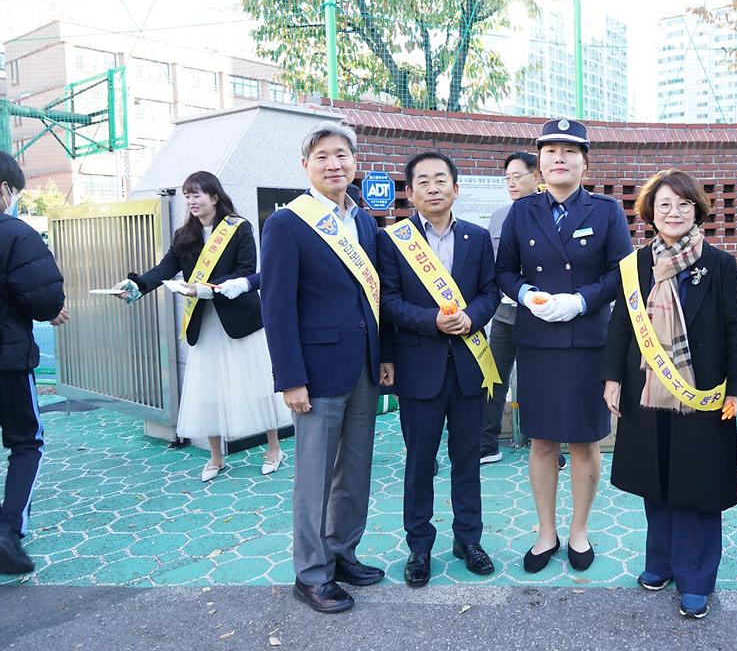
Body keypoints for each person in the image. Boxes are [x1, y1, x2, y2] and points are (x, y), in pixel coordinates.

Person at [601, 170, 737, 619]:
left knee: (697, 484)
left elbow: (734, 329)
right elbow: (621, 326)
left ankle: (697, 576)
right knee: (657, 477)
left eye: (683, 205)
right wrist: (611, 377)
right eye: (664, 205)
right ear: (650, 212)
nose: (673, 213)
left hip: (702, 393)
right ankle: (661, 562)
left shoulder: (720, 264)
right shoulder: (635, 265)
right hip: (646, 389)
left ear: (697, 210)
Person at [261, 122, 391, 613]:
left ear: (354, 162)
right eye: (323, 157)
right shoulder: (288, 223)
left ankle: (342, 553)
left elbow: (371, 297)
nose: (334, 164)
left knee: (355, 470)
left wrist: (385, 359)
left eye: (342, 155)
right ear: (305, 167)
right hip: (314, 373)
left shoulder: (362, 222)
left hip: (362, 367)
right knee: (314, 475)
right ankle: (311, 573)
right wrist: (290, 377)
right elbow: (276, 306)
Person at [496, 118, 633, 573]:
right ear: (539, 163)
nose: (559, 159)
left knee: (585, 441)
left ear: (584, 163)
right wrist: (525, 296)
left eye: (570, 151)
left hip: (586, 341)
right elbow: (504, 272)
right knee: (541, 441)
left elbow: (621, 273)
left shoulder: (607, 211)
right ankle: (545, 532)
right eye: (550, 151)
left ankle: (579, 531)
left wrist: (581, 300)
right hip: (537, 341)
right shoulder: (521, 212)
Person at [114, 171, 289, 481]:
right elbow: (165, 269)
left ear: (214, 197)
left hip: (240, 320)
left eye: (197, 194)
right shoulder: (185, 235)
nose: (191, 201)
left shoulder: (239, 228)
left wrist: (205, 288)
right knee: (208, 390)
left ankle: (273, 448)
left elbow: (246, 271)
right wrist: (136, 285)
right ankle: (216, 456)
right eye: (187, 196)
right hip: (204, 323)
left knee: (258, 384)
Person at [377, 151, 501, 587]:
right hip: (418, 367)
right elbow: (386, 301)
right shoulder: (394, 239)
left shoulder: (477, 237)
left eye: (441, 179)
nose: (433, 187)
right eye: (423, 181)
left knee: (467, 459)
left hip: (468, 366)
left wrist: (473, 317)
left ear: (455, 188)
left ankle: (468, 539)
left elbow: (491, 292)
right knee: (420, 462)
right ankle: (419, 546)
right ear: (410, 192)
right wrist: (430, 321)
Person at [0, 152, 66, 575]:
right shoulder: (16, 234)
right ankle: (7, 532)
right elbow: (44, 298)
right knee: (26, 443)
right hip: (7, 359)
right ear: (4, 189)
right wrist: (52, 308)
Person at [480, 151, 539, 464]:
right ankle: (486, 443)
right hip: (504, 313)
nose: (512, 183)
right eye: (508, 178)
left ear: (536, 176)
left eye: (518, 176)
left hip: (540, 313)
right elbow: (493, 263)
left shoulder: (548, 212)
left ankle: (545, 444)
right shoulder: (499, 216)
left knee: (538, 379)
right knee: (494, 376)